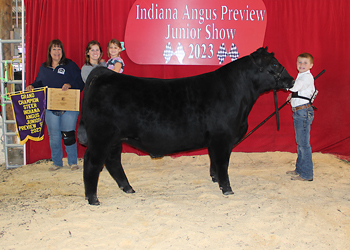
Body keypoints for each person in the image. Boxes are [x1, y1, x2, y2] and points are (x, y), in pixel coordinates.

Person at [25, 39, 85, 171]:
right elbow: (38, 82)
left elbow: (81, 83)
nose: (57, 52)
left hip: (68, 106)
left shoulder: (70, 65)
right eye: (54, 49)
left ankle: (73, 162)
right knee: (54, 135)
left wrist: (70, 85)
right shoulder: (44, 67)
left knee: (68, 134)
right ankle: (57, 162)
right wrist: (31, 86)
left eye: (59, 49)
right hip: (50, 106)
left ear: (62, 51)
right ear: (50, 52)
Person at [286, 53, 315, 181]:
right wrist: (293, 96)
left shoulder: (306, 77)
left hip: (302, 112)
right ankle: (299, 169)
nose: (302, 65)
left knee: (303, 144)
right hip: (299, 112)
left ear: (311, 65)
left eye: (305, 63)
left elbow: (296, 86)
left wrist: (284, 82)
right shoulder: (301, 76)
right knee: (300, 143)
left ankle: (307, 174)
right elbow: (300, 90)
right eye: (299, 62)